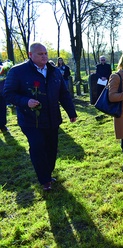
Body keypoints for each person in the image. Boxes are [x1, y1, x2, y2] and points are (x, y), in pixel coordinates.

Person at [3, 42, 77, 191]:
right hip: (30, 121)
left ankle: (48, 174)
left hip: (52, 118)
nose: (44, 57)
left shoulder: (54, 71)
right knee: (37, 147)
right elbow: (8, 93)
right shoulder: (18, 72)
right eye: (40, 54)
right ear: (31, 55)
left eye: (45, 54)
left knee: (51, 148)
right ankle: (44, 181)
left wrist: (71, 112)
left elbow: (63, 93)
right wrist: (26, 101)